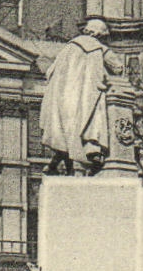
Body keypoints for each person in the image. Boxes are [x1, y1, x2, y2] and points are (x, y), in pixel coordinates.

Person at [40, 18, 122, 175]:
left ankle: (58, 165)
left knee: (65, 133)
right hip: (84, 98)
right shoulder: (98, 48)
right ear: (99, 34)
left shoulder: (67, 48)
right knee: (92, 122)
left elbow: (50, 71)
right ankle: (94, 152)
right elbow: (118, 67)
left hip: (63, 98)